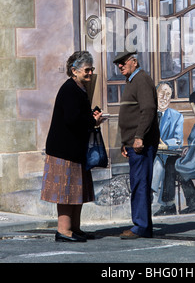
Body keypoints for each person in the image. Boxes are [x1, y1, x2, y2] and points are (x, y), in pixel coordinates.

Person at [41, 51, 102, 242]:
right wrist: (92, 120)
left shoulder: (79, 88)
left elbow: (77, 115)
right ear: (74, 71)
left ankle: (74, 228)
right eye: (87, 70)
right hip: (64, 151)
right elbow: (72, 118)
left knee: (77, 191)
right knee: (66, 191)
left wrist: (91, 116)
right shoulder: (69, 89)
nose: (90, 73)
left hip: (74, 150)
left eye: (91, 69)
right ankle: (63, 230)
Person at [113, 49, 159, 239]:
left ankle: (140, 226)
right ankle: (143, 226)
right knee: (138, 183)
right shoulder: (132, 80)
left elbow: (148, 110)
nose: (120, 66)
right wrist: (126, 142)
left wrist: (139, 137)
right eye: (118, 64)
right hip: (134, 143)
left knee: (140, 183)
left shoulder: (141, 79)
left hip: (141, 144)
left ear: (134, 62)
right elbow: (132, 113)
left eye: (123, 62)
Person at [152, 82, 183, 215]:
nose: (164, 97)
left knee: (159, 165)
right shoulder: (149, 113)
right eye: (162, 93)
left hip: (168, 155)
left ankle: (151, 195)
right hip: (150, 154)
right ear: (155, 94)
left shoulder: (176, 116)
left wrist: (166, 144)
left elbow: (178, 140)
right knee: (157, 164)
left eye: (168, 94)